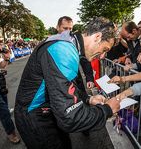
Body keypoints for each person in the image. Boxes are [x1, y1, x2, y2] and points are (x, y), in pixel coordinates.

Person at [14, 17, 121, 149]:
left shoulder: (70, 43)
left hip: (46, 110)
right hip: (35, 116)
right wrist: (107, 110)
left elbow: (69, 84)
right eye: (105, 49)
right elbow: (70, 118)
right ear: (97, 37)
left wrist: (88, 99)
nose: (103, 56)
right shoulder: (63, 49)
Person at [56, 16, 95, 90]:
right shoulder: (50, 44)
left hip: (75, 79)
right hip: (58, 81)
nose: (68, 31)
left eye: (70, 28)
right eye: (65, 28)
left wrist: (89, 78)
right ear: (57, 27)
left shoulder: (76, 40)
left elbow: (83, 58)